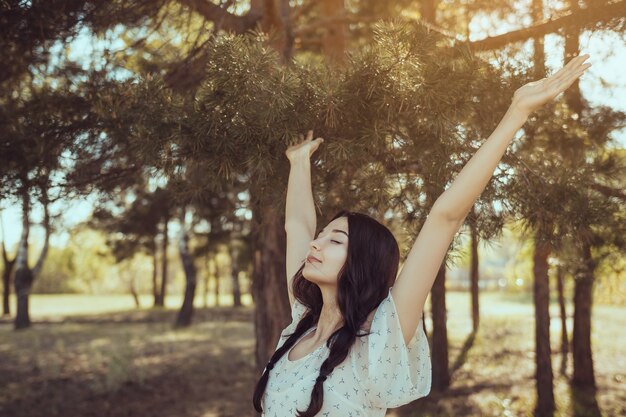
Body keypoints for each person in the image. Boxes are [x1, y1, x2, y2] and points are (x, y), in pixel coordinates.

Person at [252, 54, 592, 417]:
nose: (315, 244)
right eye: (322, 237)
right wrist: (300, 161)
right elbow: (298, 226)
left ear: (362, 263)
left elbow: (445, 217)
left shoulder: (380, 333)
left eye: (335, 240)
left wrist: (517, 112)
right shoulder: (301, 323)